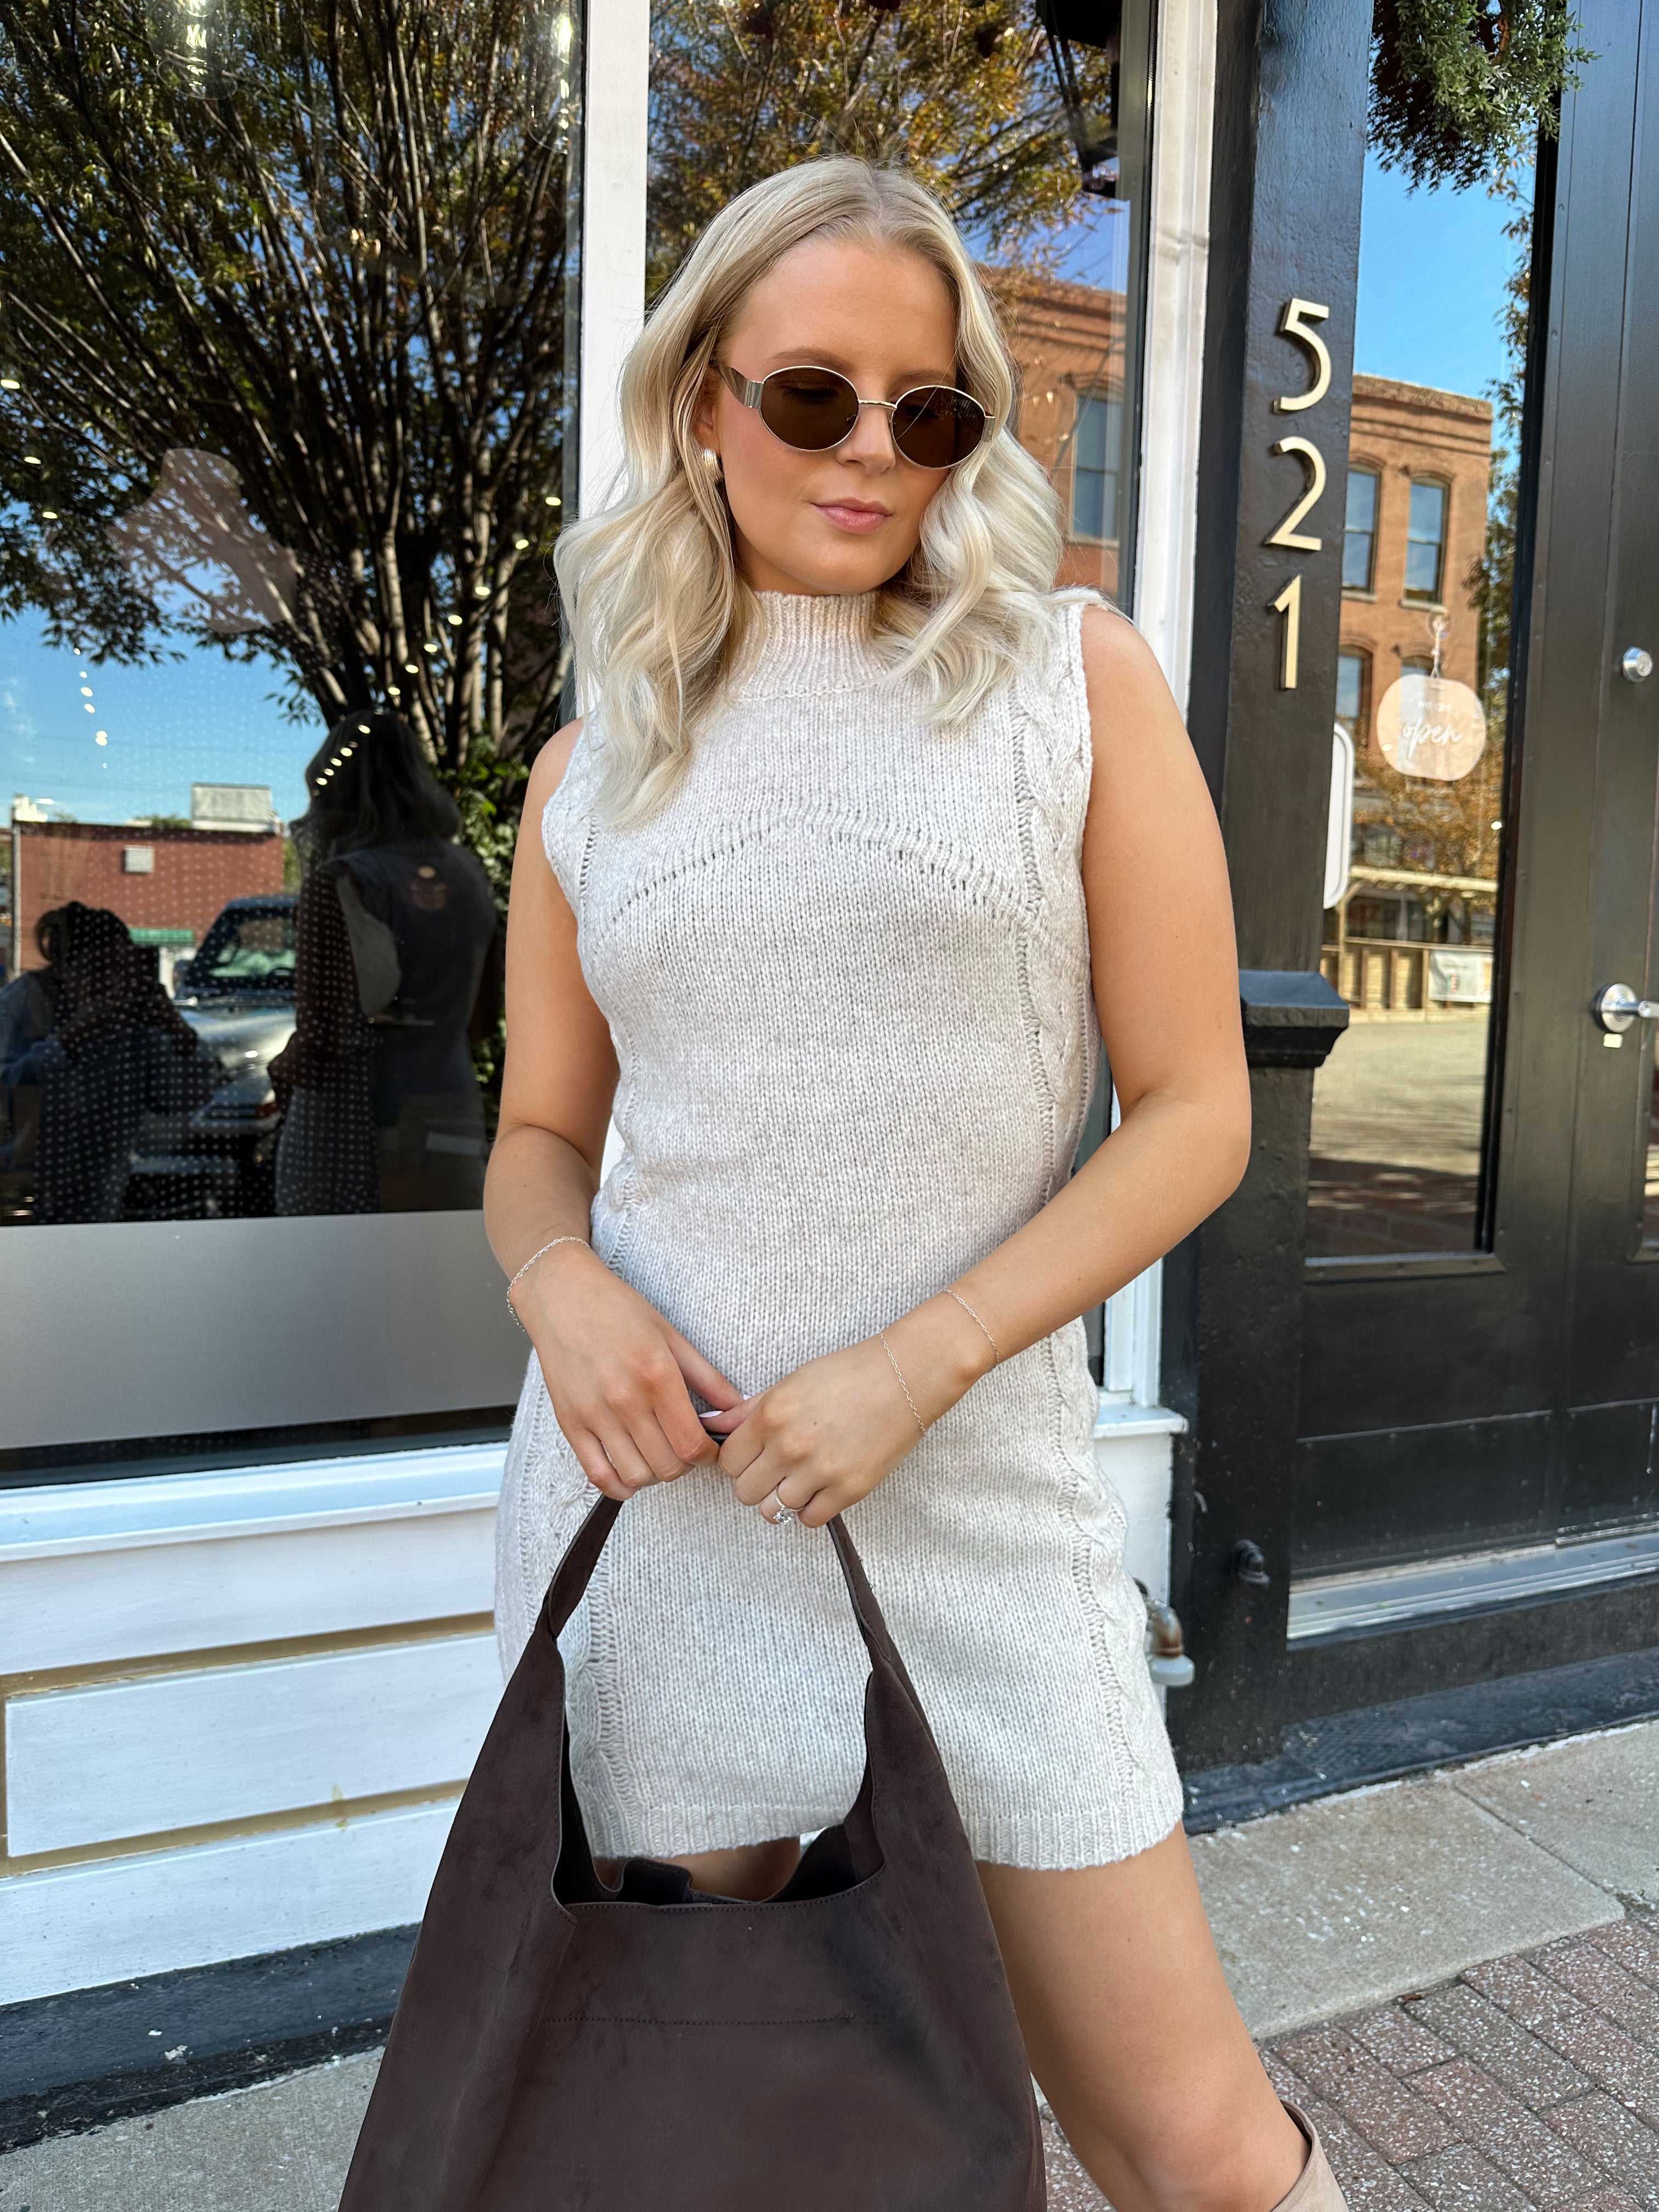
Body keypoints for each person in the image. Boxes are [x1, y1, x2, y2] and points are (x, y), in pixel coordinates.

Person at [487, 160, 1345, 2212]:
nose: (870, 450)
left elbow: (1192, 1108)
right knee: (695, 2153)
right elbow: (541, 1142)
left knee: (1194, 2146)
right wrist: (560, 1290)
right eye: (809, 396)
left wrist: (919, 1356)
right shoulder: (589, 763)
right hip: (663, 1519)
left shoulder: (1067, 679)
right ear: (698, 398)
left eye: (926, 405)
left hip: (970, 1506)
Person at [272, 710, 501, 1216]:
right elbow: (483, 1020)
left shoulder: (342, 881)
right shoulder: (468, 873)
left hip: (352, 1123)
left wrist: (279, 1070)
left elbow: (321, 1039)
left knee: (339, 1276)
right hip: (449, 1098)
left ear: (338, 796)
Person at [1, 901, 216, 1223]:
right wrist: (74, 1037)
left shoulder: (134, 1027)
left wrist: (177, 1032)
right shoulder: (27, 1003)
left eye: (123, 969)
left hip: (103, 1205)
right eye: (98, 969)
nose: (112, 984)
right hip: (21, 1196)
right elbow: (7, 1089)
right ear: (64, 971)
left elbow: (182, 1101)